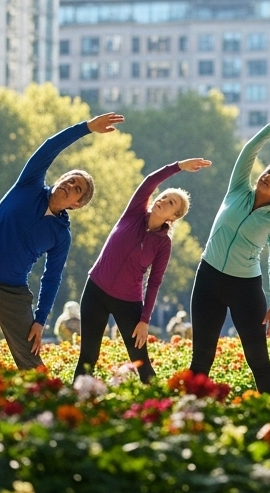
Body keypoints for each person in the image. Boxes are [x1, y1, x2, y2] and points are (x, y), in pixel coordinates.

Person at [0, 113, 123, 369]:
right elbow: (51, 146)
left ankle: (50, 397)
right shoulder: (29, 184)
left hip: (12, 294)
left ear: (76, 204)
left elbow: (52, 278)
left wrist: (40, 320)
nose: (70, 185)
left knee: (31, 364)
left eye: (77, 188)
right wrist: (87, 128)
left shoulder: (61, 235)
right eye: (70, 179)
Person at [189, 109, 270, 392]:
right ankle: (189, 412)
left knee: (257, 358)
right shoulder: (238, 189)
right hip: (208, 278)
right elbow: (249, 150)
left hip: (245, 289)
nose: (268, 176)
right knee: (202, 355)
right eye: (269, 172)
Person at [76, 157, 212, 383]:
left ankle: (158, 401)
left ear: (173, 217)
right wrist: (179, 167)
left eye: (171, 203)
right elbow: (150, 181)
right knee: (88, 356)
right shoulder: (134, 213)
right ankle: (76, 399)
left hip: (128, 303)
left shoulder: (163, 244)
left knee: (141, 362)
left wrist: (144, 320)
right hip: (95, 291)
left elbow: (154, 282)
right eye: (164, 196)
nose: (163, 200)